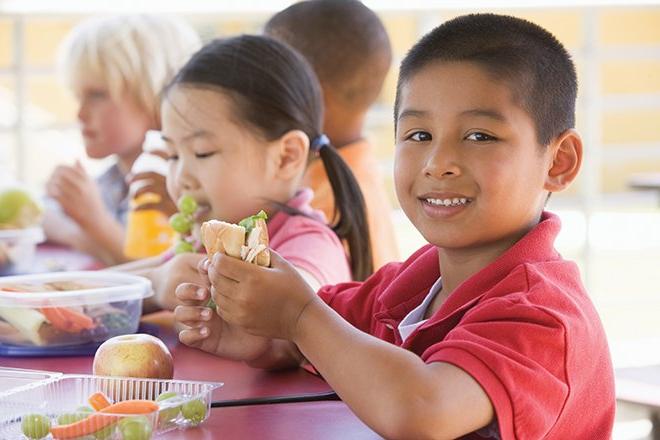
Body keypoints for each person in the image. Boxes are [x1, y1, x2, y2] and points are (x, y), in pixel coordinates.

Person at [175, 13, 615, 439]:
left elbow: (423, 410)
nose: (438, 163)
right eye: (419, 135)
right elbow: (323, 334)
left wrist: (298, 317)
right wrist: (260, 335)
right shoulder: (413, 284)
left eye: (480, 136)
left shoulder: (544, 316)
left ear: (559, 161)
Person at [130, 35, 372, 312]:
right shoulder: (211, 241)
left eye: (202, 152)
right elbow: (105, 285)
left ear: (286, 157)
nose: (180, 178)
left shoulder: (310, 245)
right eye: (173, 155)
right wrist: (156, 281)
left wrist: (155, 284)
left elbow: (295, 313)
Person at [43, 15, 200, 265]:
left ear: (155, 96)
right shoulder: (113, 181)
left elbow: (165, 274)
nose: (80, 114)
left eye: (96, 95)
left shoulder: (176, 186)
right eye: (77, 96)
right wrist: (80, 232)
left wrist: (94, 222)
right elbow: (45, 216)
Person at [264, 0, 400, 269]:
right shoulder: (351, 172)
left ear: (313, 94)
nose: (257, 95)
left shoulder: (323, 206)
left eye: (270, 83)